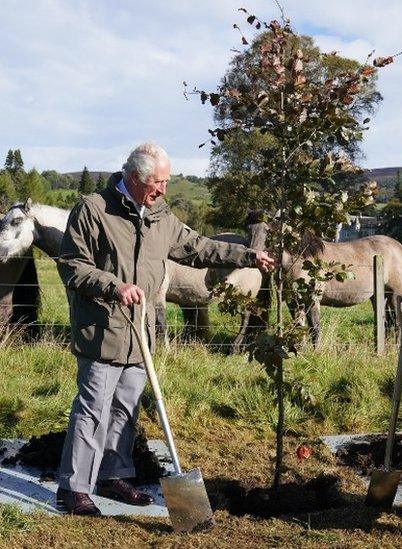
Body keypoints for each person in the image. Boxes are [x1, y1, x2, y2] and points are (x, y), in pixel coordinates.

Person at [56, 143, 275, 516]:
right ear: (135, 178)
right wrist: (114, 285)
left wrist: (247, 256)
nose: (163, 189)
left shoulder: (159, 215)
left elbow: (196, 247)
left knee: (126, 408)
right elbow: (72, 265)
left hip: (141, 332)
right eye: (158, 182)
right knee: (93, 408)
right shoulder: (94, 210)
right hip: (103, 328)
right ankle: (73, 489)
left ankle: (113, 475)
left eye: (167, 182)